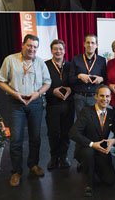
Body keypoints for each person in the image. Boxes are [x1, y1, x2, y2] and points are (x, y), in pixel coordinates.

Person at [0, 34, 51, 186]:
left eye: (35, 46)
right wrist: (14, 93)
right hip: (16, 103)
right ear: (23, 45)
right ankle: (16, 171)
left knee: (35, 137)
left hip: (35, 102)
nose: (32, 49)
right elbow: (0, 80)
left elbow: (47, 82)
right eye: (29, 45)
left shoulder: (40, 62)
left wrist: (38, 93)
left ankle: (33, 164)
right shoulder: (10, 60)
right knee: (16, 139)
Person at [70, 85, 115, 198]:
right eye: (101, 96)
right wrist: (92, 144)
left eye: (107, 96)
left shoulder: (111, 113)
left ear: (110, 98)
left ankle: (92, 166)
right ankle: (88, 183)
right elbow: (73, 133)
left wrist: (114, 140)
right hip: (86, 148)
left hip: (101, 150)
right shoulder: (86, 112)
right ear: (95, 96)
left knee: (110, 180)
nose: (104, 99)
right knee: (89, 153)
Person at [45, 39, 72, 170]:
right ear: (51, 51)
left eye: (60, 49)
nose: (58, 51)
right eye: (55, 49)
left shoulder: (70, 65)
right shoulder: (45, 65)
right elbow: (41, 85)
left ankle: (64, 156)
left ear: (64, 51)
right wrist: (52, 91)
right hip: (52, 104)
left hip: (68, 104)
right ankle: (54, 157)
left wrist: (70, 89)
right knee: (53, 132)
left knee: (66, 132)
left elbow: (74, 83)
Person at [67, 34, 107, 117]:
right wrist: (79, 76)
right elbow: (70, 79)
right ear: (84, 44)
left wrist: (101, 79)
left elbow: (107, 78)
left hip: (95, 97)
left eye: (93, 43)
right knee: (81, 124)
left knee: (95, 123)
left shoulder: (102, 60)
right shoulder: (75, 59)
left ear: (96, 45)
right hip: (80, 98)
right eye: (88, 42)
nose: (90, 45)